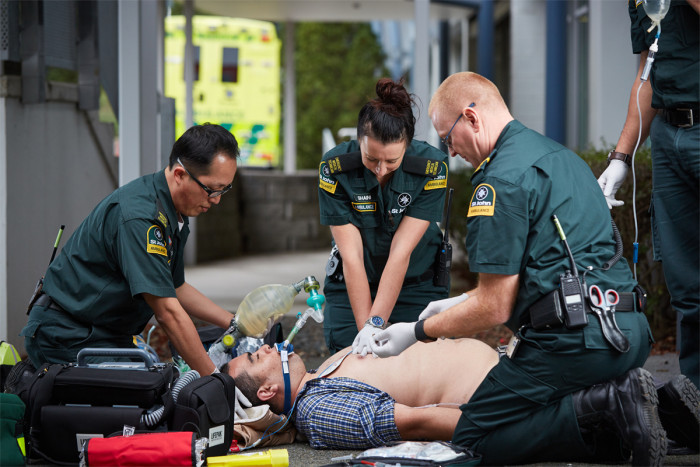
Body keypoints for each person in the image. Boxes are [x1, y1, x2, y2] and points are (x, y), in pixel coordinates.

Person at [369, 72, 668, 465]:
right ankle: (666, 412)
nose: (451, 153)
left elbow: (493, 307)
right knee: (539, 416)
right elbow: (545, 268)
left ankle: (613, 402)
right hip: (629, 333)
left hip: (573, 343)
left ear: (471, 118)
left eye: (447, 138)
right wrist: (455, 302)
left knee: (476, 437)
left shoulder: (497, 183)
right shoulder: (564, 158)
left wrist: (416, 331)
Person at [21, 123, 240, 378]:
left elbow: (175, 287)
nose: (216, 200)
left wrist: (235, 323)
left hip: (105, 333)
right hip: (68, 335)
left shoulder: (175, 209)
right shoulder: (141, 218)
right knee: (135, 406)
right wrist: (216, 381)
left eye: (224, 189)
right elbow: (168, 313)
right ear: (180, 174)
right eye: (211, 189)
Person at [597, 0, 699, 390]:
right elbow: (648, 69)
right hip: (668, 133)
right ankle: (695, 407)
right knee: (687, 286)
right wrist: (621, 156)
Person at [318, 78, 450, 355]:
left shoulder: (432, 167)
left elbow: (400, 253)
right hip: (352, 285)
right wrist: (366, 332)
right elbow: (351, 258)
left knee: (418, 371)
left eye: (391, 161)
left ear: (407, 145)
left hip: (417, 285)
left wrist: (375, 324)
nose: (380, 169)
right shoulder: (334, 168)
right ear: (358, 140)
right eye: (371, 158)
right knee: (353, 361)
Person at [224, 338, 499, 449]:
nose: (268, 347)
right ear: (267, 391)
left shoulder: (319, 375)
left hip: (506, 371)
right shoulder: (317, 410)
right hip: (496, 399)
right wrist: (505, 421)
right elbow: (416, 422)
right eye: (256, 357)